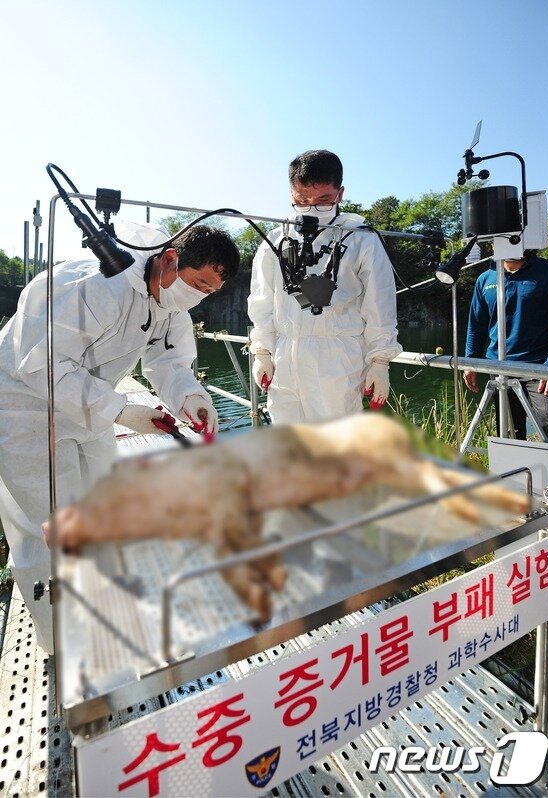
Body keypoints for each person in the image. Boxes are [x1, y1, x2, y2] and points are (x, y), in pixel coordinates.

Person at [0, 220, 239, 652]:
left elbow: (169, 362)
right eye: (198, 283)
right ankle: (62, 644)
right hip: (23, 407)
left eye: (210, 291)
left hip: (88, 406)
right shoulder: (91, 284)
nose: (200, 296)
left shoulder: (170, 301)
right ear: (170, 260)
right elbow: (41, 365)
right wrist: (123, 410)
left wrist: (191, 397)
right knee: (49, 526)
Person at [247, 149, 401, 423]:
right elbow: (261, 300)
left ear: (340, 194)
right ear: (291, 193)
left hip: (337, 362)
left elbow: (379, 303)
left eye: (324, 200)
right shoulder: (275, 239)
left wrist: (379, 361)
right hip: (285, 357)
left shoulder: (360, 238)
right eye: (302, 200)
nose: (312, 207)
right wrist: (262, 351)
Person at [463, 250, 548, 440]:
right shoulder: (486, 278)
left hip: (541, 368)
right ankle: (517, 470)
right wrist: (470, 362)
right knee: (508, 433)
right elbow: (476, 324)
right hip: (499, 367)